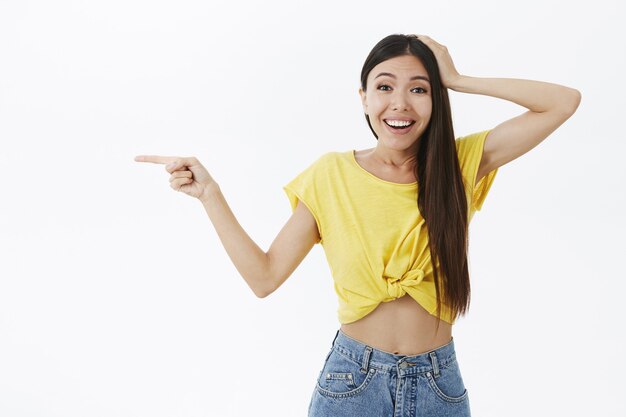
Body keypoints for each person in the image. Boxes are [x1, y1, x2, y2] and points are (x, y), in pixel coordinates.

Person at [135, 34, 580, 416]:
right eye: (384, 87)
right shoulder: (331, 174)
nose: (399, 103)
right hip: (353, 382)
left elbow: (563, 102)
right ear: (363, 98)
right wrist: (211, 195)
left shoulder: (459, 164)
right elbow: (264, 277)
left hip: (439, 383)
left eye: (419, 89)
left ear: (436, 99)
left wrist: (459, 80)